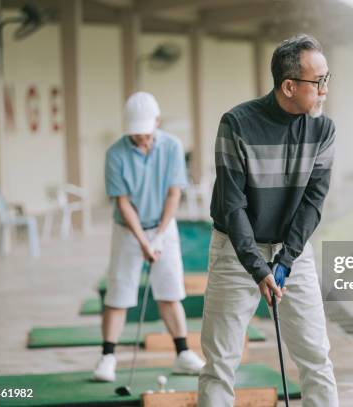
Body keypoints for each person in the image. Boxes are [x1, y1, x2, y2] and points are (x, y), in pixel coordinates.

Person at [198, 34, 338, 406]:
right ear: (289, 85)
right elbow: (232, 205)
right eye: (318, 81)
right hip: (236, 251)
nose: (325, 89)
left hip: (293, 252)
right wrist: (258, 268)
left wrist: (286, 260)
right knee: (221, 362)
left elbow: (313, 202)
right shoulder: (237, 124)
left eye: (327, 78)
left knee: (316, 358)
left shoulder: (323, 130)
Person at [93, 92, 205, 382]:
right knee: (119, 294)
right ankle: (107, 358)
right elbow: (122, 202)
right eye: (136, 134)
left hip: (163, 226)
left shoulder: (172, 147)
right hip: (127, 230)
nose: (141, 139)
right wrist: (144, 241)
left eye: (146, 133)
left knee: (170, 292)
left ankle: (182, 354)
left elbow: (173, 194)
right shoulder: (115, 154)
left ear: (157, 122)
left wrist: (158, 236)